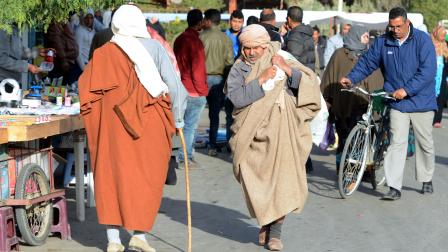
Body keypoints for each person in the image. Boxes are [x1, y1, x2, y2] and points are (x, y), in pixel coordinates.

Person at [78, 4, 187, 252]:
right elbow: (175, 86)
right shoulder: (155, 48)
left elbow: (86, 89)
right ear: (140, 22)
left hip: (112, 127)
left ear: (115, 23)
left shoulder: (105, 52)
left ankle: (113, 241)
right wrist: (178, 119)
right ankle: (140, 235)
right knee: (147, 178)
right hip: (150, 125)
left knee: (111, 176)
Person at [226, 24, 321, 251]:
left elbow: (308, 84)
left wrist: (287, 70)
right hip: (252, 133)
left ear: (265, 45)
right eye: (246, 48)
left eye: (255, 48)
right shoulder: (238, 69)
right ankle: (266, 220)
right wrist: (260, 80)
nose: (250, 53)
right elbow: (237, 98)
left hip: (284, 130)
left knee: (282, 181)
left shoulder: (281, 57)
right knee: (255, 179)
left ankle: (275, 232)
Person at [340, 7, 437, 200]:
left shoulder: (422, 40)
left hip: (421, 101)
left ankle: (426, 178)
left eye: (398, 26)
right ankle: (394, 187)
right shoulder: (383, 42)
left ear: (407, 23)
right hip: (396, 101)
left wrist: (407, 90)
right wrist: (352, 78)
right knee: (396, 143)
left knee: (424, 142)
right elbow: (367, 63)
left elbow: (428, 71)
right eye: (391, 26)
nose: (395, 30)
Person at [321, 25, 383, 173]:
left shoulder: (370, 56)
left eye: (368, 36)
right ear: (355, 35)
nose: (367, 39)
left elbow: (376, 80)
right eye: (365, 36)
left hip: (362, 103)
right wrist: (327, 101)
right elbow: (329, 78)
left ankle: (359, 170)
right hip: (342, 104)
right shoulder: (339, 55)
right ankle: (342, 168)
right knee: (343, 138)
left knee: (360, 138)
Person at [173, 9, 208, 166]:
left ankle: (185, 154)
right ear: (199, 22)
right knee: (190, 127)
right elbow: (198, 69)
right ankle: (184, 157)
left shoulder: (180, 39)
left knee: (183, 125)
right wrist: (202, 91)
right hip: (194, 90)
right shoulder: (195, 42)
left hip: (181, 86)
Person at [200, 9, 234, 156]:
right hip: (219, 78)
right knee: (218, 114)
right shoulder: (226, 39)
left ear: (208, 20)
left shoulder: (200, 37)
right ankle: (217, 145)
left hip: (201, 78)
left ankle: (192, 147)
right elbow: (229, 62)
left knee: (197, 113)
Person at [282, 6, 315, 70]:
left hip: (300, 76)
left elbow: (291, 61)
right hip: (308, 74)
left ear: (289, 19)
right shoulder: (306, 32)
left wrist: (283, 36)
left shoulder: (295, 36)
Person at [431, 25, 448, 128]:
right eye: (441, 34)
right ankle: (429, 117)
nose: (442, 36)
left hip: (442, 77)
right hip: (431, 77)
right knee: (430, 97)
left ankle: (437, 119)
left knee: (440, 98)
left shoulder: (446, 46)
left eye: (444, 35)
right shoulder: (430, 45)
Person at [74, 10, 95, 79]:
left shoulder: (92, 31)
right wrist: (83, 68)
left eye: (91, 18)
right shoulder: (79, 31)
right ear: (83, 18)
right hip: (81, 66)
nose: (89, 20)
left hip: (89, 65)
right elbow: (77, 52)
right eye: (86, 18)